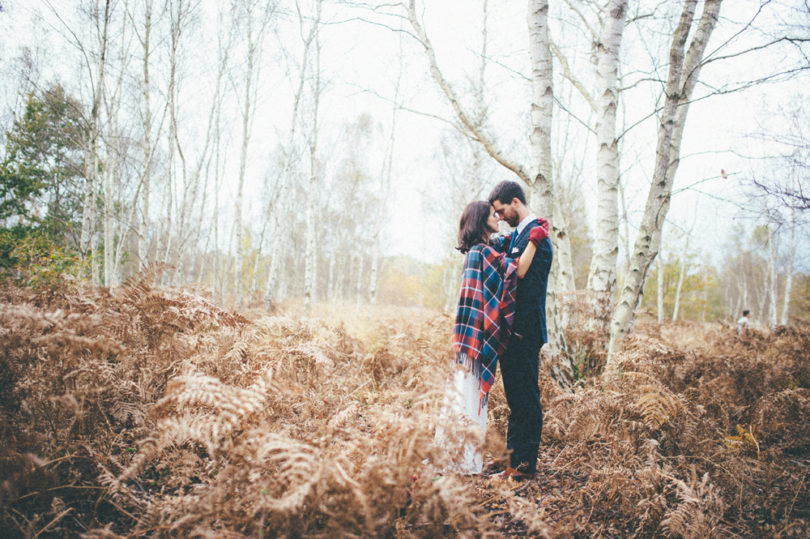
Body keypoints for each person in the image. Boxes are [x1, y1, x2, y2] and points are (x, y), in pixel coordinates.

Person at [440, 200, 548, 475]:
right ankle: (461, 460)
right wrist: (533, 240)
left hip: (469, 337)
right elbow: (517, 270)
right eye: (493, 215)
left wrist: (521, 233)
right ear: (481, 220)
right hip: (475, 339)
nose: (498, 218)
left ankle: (461, 457)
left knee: (467, 397)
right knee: (468, 399)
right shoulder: (482, 253)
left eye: (499, 212)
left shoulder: (480, 250)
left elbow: (504, 243)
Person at [486, 180, 553, 480]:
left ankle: (523, 467)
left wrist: (519, 333)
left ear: (515, 202)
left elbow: (528, 285)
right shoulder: (521, 236)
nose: (499, 218)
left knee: (526, 398)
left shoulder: (537, 236)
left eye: (500, 211)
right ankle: (513, 461)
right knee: (516, 398)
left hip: (524, 332)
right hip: (512, 334)